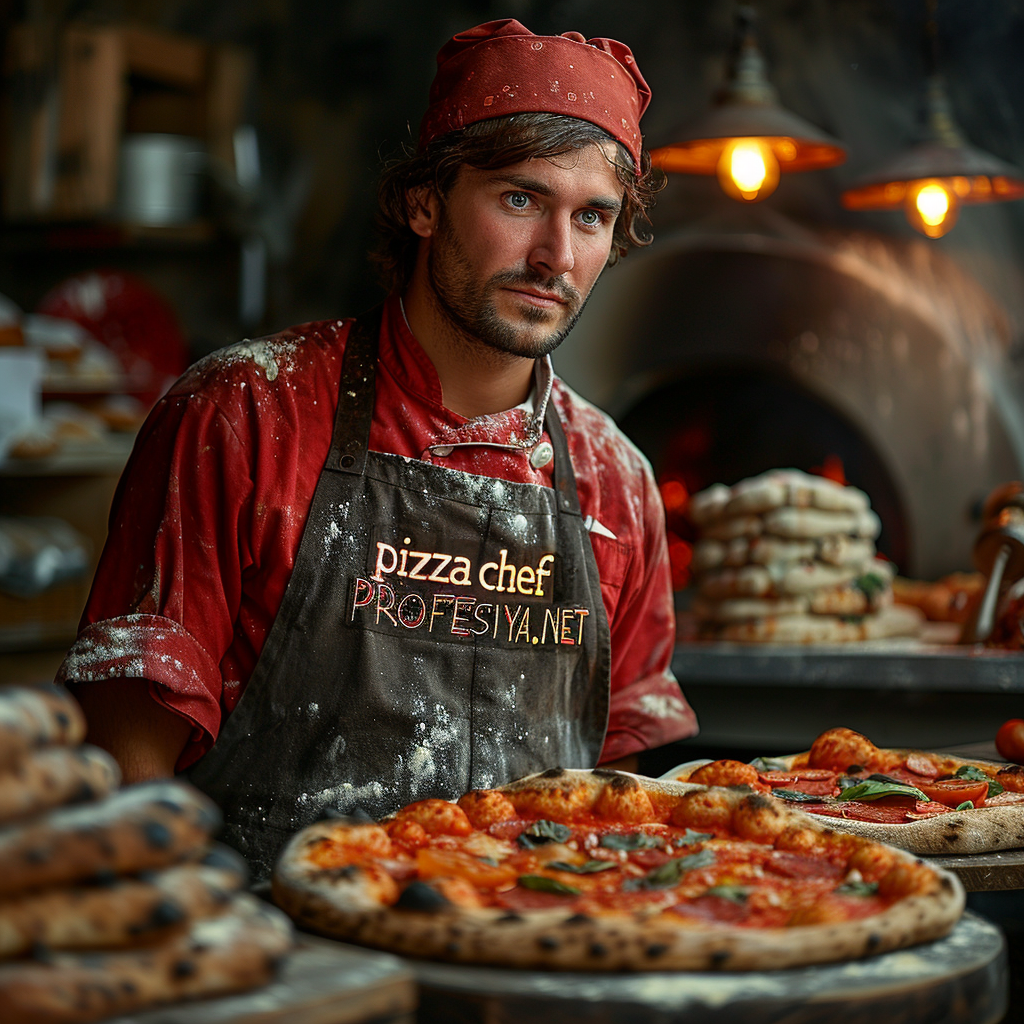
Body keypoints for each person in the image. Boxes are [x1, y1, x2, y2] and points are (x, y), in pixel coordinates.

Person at [58, 18, 698, 878]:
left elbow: (617, 789)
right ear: (423, 202)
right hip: (281, 956)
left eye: (591, 218)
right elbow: (126, 756)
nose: (556, 255)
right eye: (520, 199)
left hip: (525, 947)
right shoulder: (245, 413)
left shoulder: (617, 478)